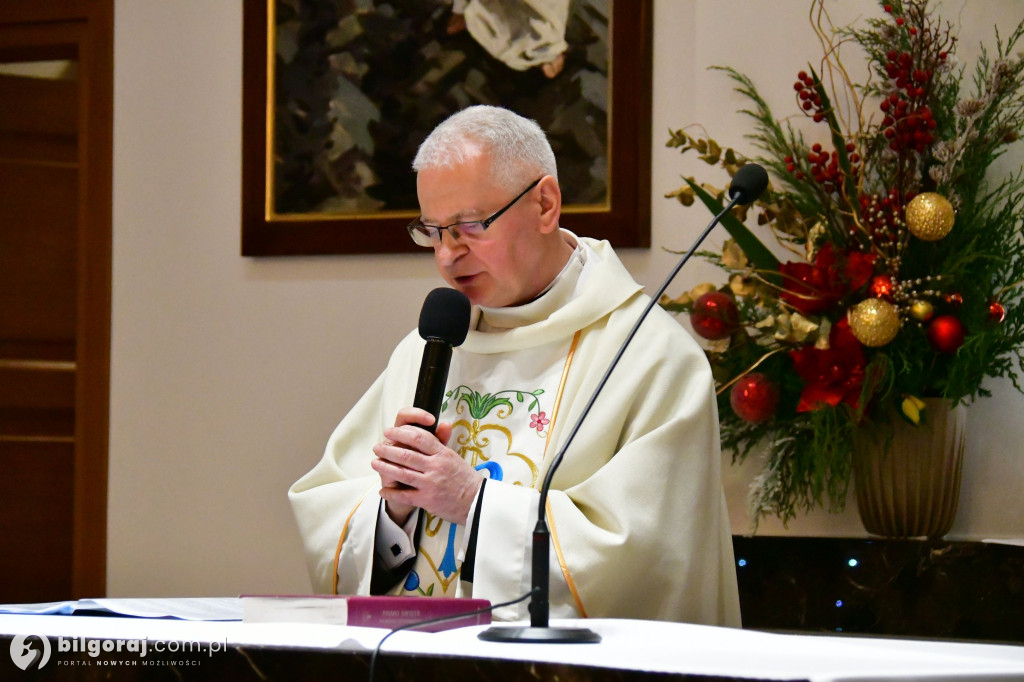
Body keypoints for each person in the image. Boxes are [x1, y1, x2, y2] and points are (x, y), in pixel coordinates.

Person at [289, 105, 741, 625]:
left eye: (468, 227)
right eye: (432, 232)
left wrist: (472, 502)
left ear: (545, 205)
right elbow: (332, 511)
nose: (446, 256)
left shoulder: (647, 355)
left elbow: (648, 558)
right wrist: (393, 512)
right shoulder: (427, 346)